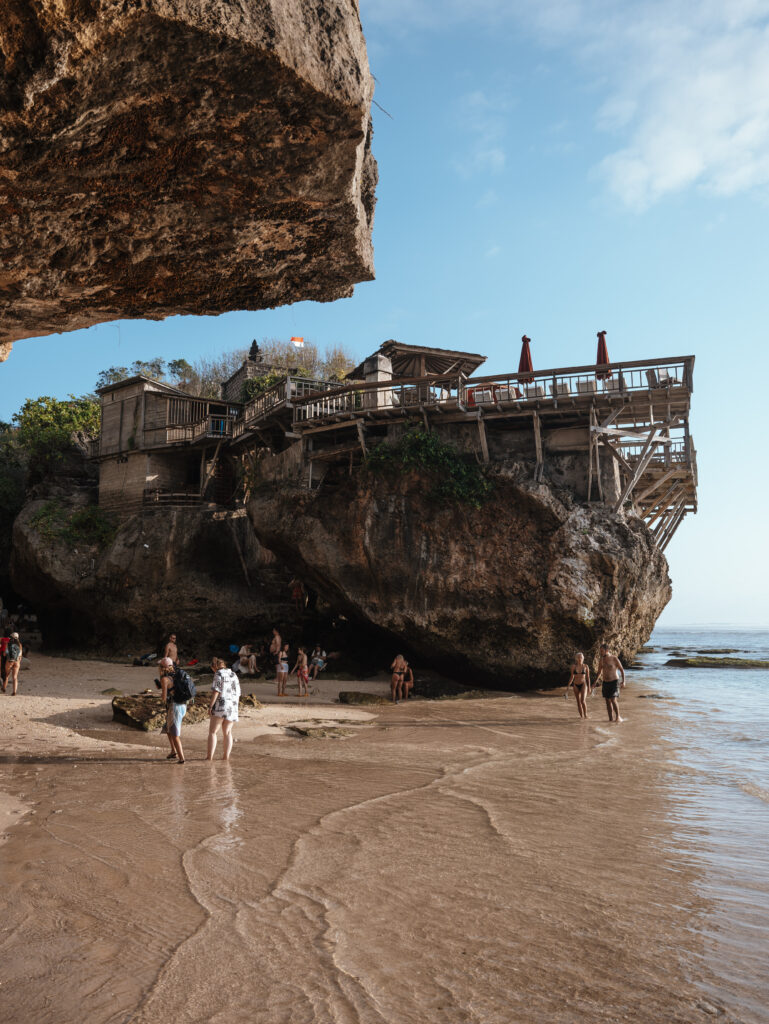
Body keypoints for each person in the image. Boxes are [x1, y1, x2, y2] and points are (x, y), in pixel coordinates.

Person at [207, 657, 241, 761]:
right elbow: (238, 692)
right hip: (232, 706)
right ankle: (225, 757)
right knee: (227, 732)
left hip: (220, 706)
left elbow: (216, 691)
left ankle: (209, 758)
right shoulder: (233, 674)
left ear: (214, 667)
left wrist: (210, 706)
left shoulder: (218, 674)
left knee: (213, 732)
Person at [159, 656, 187, 762]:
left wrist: (162, 690)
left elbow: (164, 697)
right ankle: (173, 751)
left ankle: (182, 758)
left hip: (175, 707)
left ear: (162, 667)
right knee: (167, 728)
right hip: (183, 705)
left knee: (175, 734)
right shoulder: (176, 675)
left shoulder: (164, 679)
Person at [595, 642, 626, 723]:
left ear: (607, 650)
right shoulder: (601, 660)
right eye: (600, 651)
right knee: (607, 701)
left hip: (614, 682)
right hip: (605, 682)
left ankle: (618, 717)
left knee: (613, 699)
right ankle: (610, 719)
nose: (600, 652)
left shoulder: (614, 658)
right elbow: (599, 672)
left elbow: (622, 670)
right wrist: (594, 683)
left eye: (602, 651)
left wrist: (624, 681)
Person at [565, 652, 590, 719]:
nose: (580, 658)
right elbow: (571, 677)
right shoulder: (573, 667)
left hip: (583, 684)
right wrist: (568, 686)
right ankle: (581, 717)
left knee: (583, 701)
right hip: (575, 685)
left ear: (583, 658)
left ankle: (586, 715)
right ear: (576, 658)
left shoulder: (586, 666)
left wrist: (589, 688)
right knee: (578, 702)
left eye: (581, 657)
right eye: (578, 657)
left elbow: (588, 678)